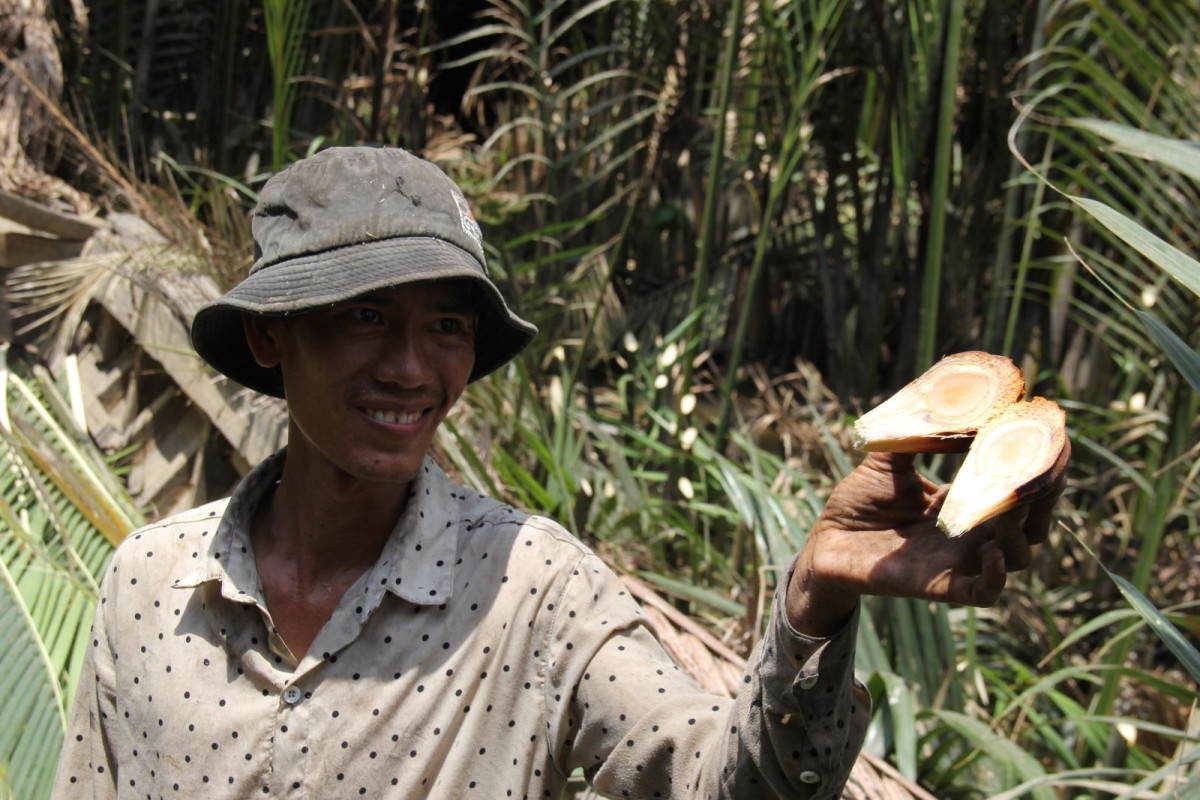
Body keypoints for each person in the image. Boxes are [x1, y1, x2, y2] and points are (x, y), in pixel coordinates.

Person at [53, 146, 1066, 799]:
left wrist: (816, 598)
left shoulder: (534, 592)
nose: (411, 366)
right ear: (272, 337)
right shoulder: (150, 589)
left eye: (447, 324)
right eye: (365, 313)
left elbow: (730, 784)